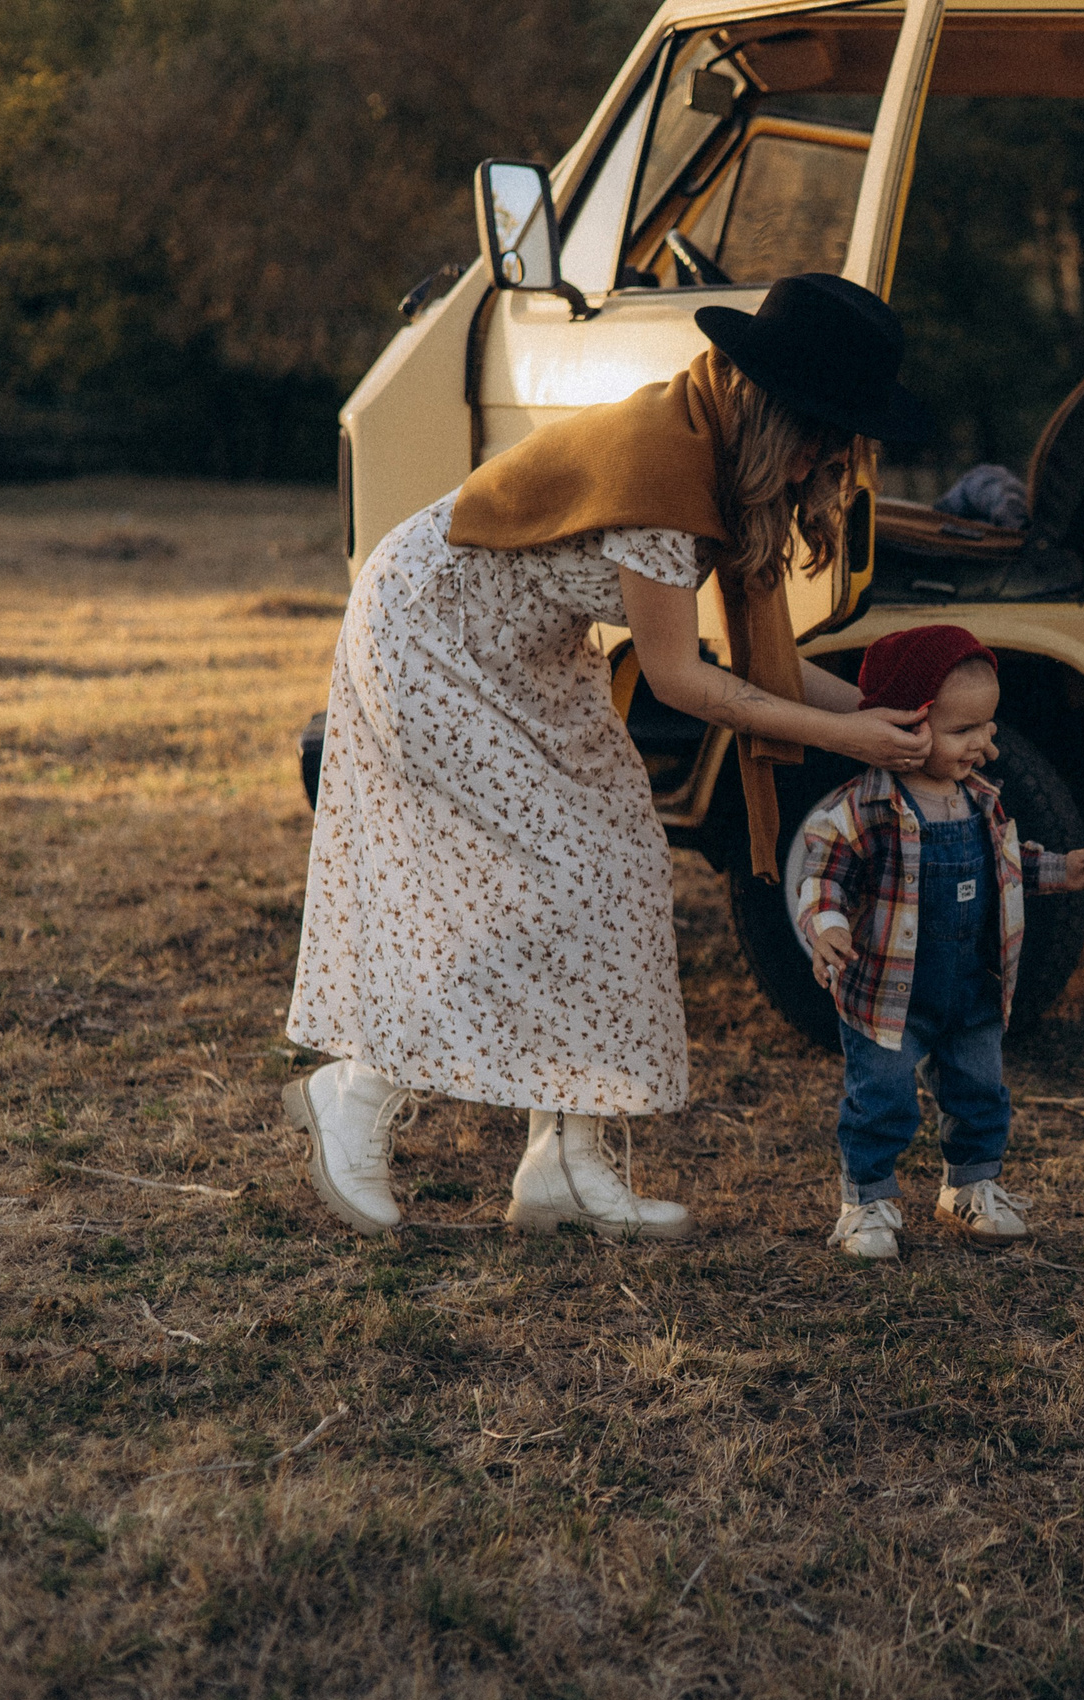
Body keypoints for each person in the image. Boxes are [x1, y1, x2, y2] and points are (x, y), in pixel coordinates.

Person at [283, 274, 935, 1241]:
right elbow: (681, 680)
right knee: (545, 880)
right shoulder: (666, 474)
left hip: (523, 651)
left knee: (617, 866)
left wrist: (888, 712)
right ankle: (356, 1089)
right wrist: (851, 737)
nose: (818, 464)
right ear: (771, 410)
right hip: (433, 636)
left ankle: (564, 1164)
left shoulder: (710, 440)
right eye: (817, 434)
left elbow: (769, 672)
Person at [793, 625, 1084, 1258]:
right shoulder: (861, 807)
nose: (985, 746)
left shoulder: (981, 801)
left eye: (988, 729)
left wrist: (1065, 870)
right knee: (880, 1099)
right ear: (908, 724)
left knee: (979, 1092)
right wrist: (826, 924)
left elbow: (1008, 866)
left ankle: (969, 1188)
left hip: (971, 985)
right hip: (888, 993)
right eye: (966, 731)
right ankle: (868, 1202)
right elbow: (822, 871)